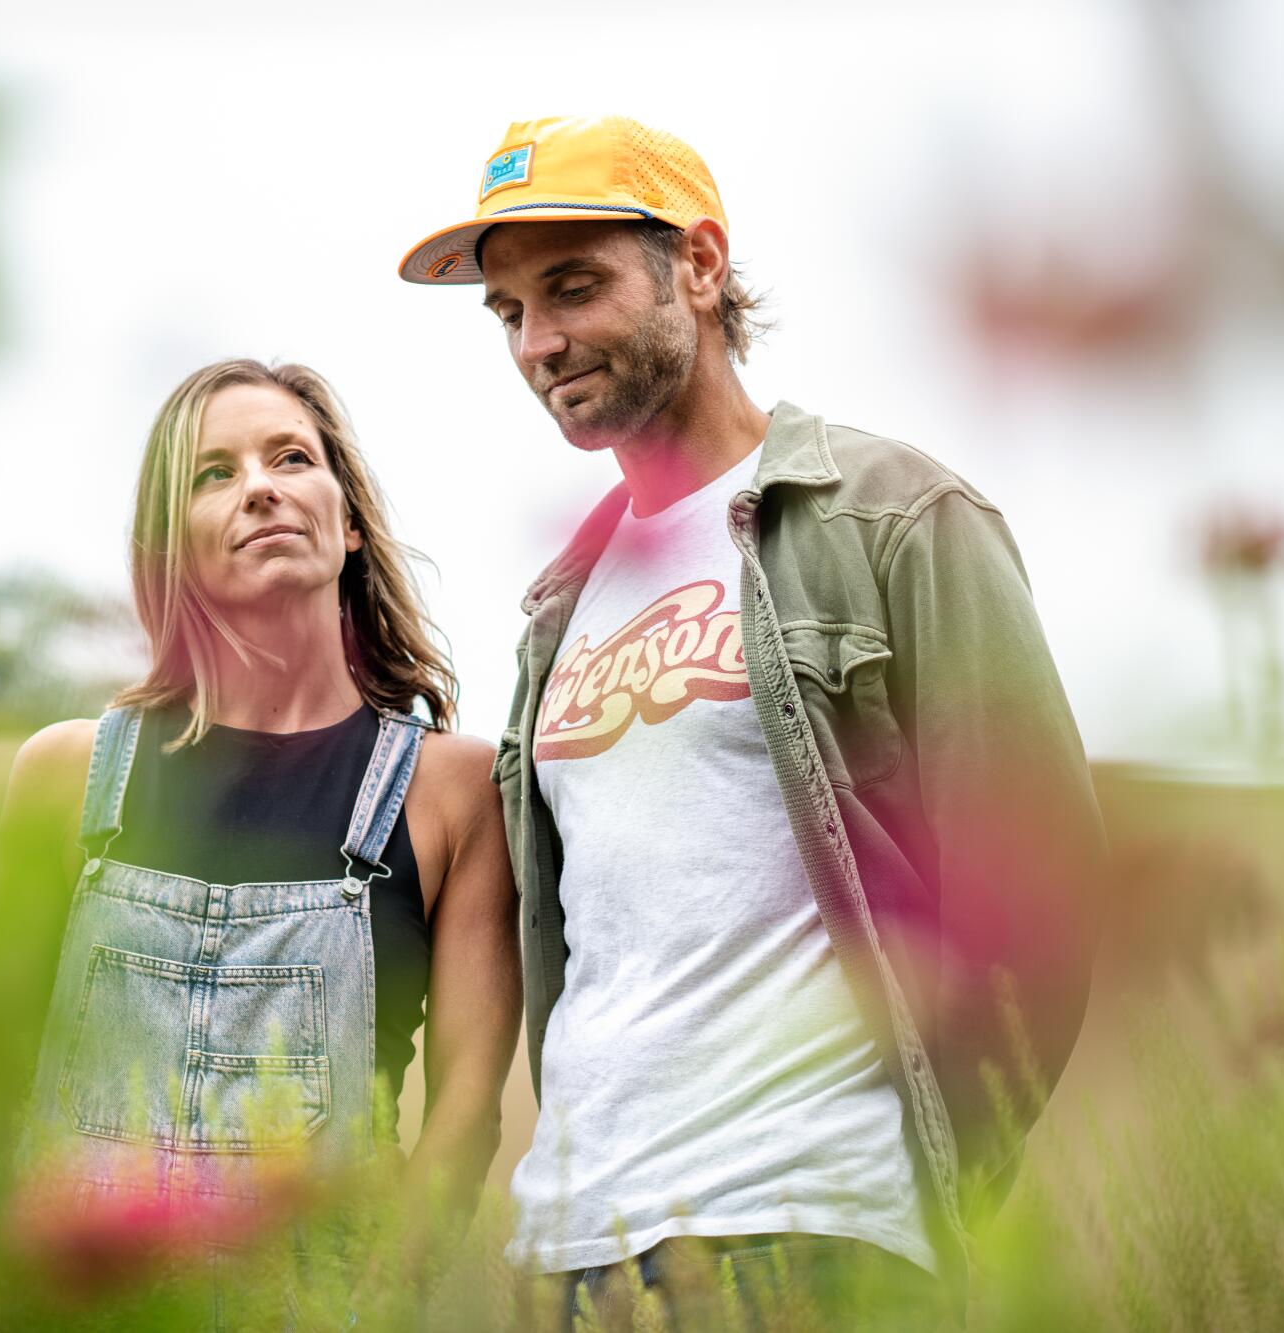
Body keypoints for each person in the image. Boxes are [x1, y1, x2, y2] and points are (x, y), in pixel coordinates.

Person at [399, 116, 1107, 1325]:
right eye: (507, 312)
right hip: (573, 1247)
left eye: (572, 287)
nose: (539, 341)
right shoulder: (557, 606)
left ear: (701, 265)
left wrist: (913, 1185)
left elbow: (1037, 901)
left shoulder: (894, 519)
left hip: (810, 1235)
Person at [0, 359, 521, 1304]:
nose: (262, 487)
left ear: (349, 521)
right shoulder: (66, 778)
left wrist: (375, 1301)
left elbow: (467, 1109)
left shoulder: (453, 792)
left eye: (291, 456)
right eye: (215, 473)